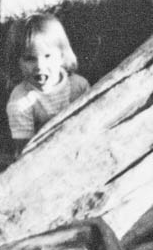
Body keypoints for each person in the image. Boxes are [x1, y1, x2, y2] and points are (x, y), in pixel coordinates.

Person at [5, 13, 90, 156]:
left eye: (47, 56)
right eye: (29, 59)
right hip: (40, 157)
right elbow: (24, 150)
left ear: (62, 56)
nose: (39, 66)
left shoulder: (78, 86)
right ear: (17, 62)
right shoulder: (21, 100)